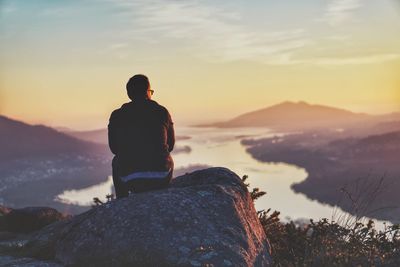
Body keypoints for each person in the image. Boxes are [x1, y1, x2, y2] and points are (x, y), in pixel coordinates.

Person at [108, 74, 175, 198]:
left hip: (130, 180)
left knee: (116, 161)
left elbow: (114, 149)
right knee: (168, 156)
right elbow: (170, 145)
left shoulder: (117, 115)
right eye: (151, 91)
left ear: (129, 94)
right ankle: (166, 195)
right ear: (147, 92)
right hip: (161, 177)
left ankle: (122, 202)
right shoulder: (162, 111)